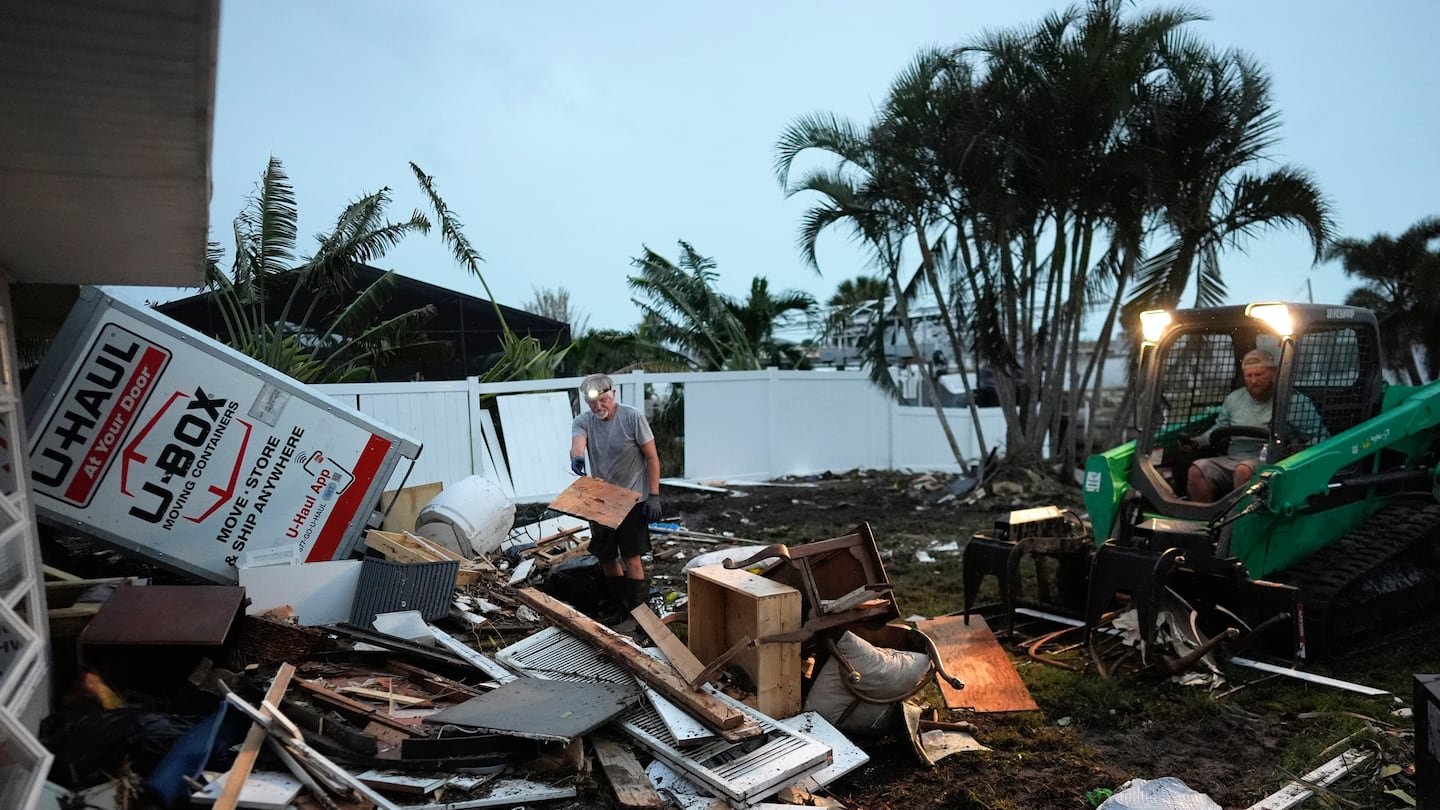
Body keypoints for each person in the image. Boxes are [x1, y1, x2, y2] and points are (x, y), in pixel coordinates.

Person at [569, 372, 662, 621]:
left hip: (633, 498)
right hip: (603, 499)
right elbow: (578, 443)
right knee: (607, 556)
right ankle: (620, 608)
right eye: (592, 404)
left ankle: (639, 614)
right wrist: (577, 457)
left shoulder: (632, 417)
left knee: (632, 557)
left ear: (613, 394)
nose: (599, 407)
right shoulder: (583, 421)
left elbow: (651, 457)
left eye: (603, 401)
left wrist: (653, 494)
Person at [1182, 348, 1324, 501]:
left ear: (1274, 374)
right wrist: (1197, 441)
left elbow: (1320, 436)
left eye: (1259, 375)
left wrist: (1300, 453)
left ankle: (1238, 520)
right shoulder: (1234, 399)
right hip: (1234, 457)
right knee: (1198, 470)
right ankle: (1203, 517)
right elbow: (1219, 428)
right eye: (1249, 376)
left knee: (1243, 470)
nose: (1254, 381)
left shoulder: (1293, 402)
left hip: (1271, 461)